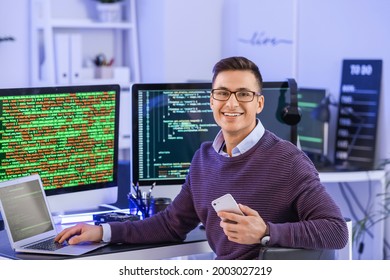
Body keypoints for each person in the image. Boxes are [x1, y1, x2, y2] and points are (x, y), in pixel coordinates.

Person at [55, 56, 348, 259]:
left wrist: (266, 232)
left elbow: (336, 231)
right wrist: (102, 231)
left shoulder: (287, 160)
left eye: (243, 94)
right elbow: (171, 225)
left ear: (259, 103)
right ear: (211, 101)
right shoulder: (204, 159)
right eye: (222, 93)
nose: (231, 103)